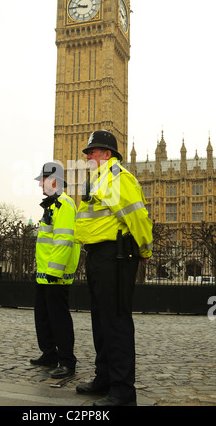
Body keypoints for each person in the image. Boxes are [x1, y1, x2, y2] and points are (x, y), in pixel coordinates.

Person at [74, 130, 153, 406]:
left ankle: (122, 392)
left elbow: (138, 216)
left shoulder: (118, 177)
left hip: (117, 256)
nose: (88, 156)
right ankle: (104, 378)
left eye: (92, 152)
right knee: (101, 320)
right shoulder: (97, 180)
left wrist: (145, 249)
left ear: (107, 154)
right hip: (96, 255)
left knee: (116, 321)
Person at [30, 161, 81, 379]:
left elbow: (64, 240)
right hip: (44, 274)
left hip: (55, 276)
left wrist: (54, 271)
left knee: (59, 319)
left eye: (43, 179)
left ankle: (67, 361)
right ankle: (49, 354)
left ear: (54, 181)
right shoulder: (51, 205)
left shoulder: (65, 204)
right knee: (42, 317)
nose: (40, 184)